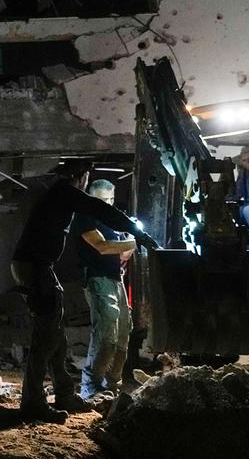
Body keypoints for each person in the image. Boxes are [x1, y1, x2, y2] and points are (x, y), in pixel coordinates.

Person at [10, 160, 157, 423]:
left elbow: (100, 210)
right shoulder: (65, 192)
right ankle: (32, 402)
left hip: (39, 266)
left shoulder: (58, 193)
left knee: (57, 336)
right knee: (45, 338)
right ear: (82, 177)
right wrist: (137, 232)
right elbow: (99, 209)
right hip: (35, 267)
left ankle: (65, 394)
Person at [72, 180, 138, 400]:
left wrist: (128, 242)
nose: (107, 205)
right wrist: (134, 242)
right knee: (106, 336)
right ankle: (91, 387)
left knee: (122, 337)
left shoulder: (113, 220)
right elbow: (102, 246)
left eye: (110, 200)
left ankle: (112, 386)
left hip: (116, 280)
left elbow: (121, 253)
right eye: (102, 200)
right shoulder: (85, 218)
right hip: (98, 280)